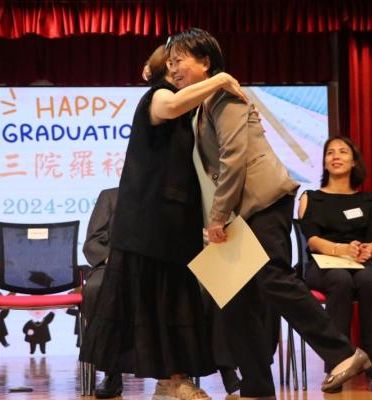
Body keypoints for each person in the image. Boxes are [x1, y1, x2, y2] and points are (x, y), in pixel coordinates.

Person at [166, 28, 371, 398]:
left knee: (272, 277)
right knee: (236, 300)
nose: (173, 69)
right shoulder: (201, 105)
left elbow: (233, 159)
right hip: (242, 212)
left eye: (179, 60)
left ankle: (342, 352)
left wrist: (217, 217)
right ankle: (257, 387)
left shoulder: (224, 95)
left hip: (264, 202)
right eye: (169, 64)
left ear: (206, 62)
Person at [79, 45, 248, 400]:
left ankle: (170, 381)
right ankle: (173, 379)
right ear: (167, 72)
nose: (179, 68)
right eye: (174, 63)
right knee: (158, 302)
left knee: (172, 303)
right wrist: (222, 79)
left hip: (174, 225)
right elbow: (170, 107)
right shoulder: (158, 96)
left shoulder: (190, 110)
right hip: (149, 226)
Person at [298, 136, 372, 392]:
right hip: (323, 263)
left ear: (354, 162)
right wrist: (341, 250)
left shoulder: (368, 200)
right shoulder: (310, 198)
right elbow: (312, 239)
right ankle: (337, 366)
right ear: (325, 162)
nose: (336, 156)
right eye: (330, 152)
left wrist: (366, 250)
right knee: (340, 280)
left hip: (359, 261)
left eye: (343, 152)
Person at [81, 187, 126, 398]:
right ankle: (111, 372)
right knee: (95, 288)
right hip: (111, 264)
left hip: (153, 266)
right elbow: (92, 242)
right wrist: (112, 259)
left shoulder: (160, 196)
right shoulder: (110, 196)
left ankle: (175, 376)